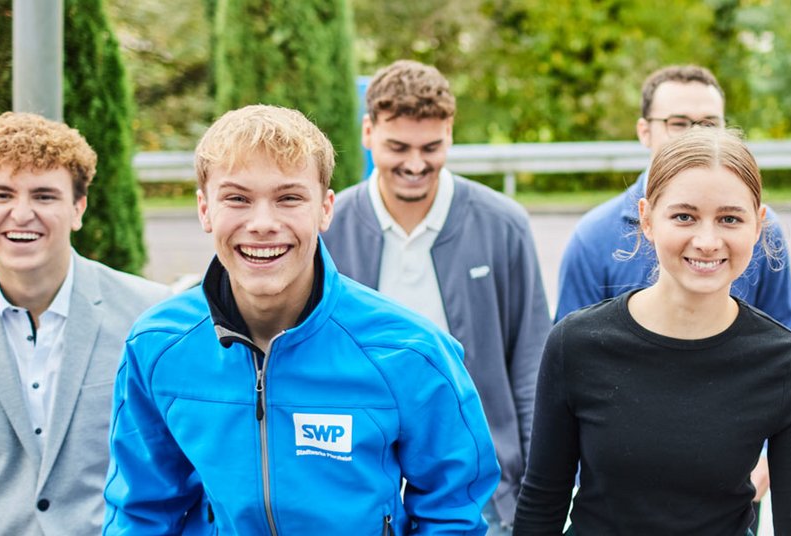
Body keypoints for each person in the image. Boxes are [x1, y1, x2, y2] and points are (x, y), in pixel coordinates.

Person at [103, 104, 500, 534]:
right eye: (237, 198)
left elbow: (453, 511)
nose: (262, 224)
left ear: (325, 208)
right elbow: (140, 512)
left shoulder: (409, 350)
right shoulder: (157, 346)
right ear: (205, 209)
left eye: (289, 198)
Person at [514, 128, 791, 535]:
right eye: (684, 217)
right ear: (646, 218)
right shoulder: (575, 344)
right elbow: (541, 505)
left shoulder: (785, 361)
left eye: (729, 219)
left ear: (757, 225)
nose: (707, 241)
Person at [554, 65, 791, 522]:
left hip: (731, 484)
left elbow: (783, 347)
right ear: (645, 131)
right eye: (679, 123)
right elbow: (569, 380)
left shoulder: (762, 235)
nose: (695, 135)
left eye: (709, 123)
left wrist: (765, 461)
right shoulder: (592, 238)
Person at [0, 112, 170, 535]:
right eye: (2, 194)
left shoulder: (149, 315)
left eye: (44, 196)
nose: (21, 213)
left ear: (78, 208)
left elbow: (185, 469)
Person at [323, 60, 550, 534]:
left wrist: (535, 493)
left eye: (430, 147)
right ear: (368, 133)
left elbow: (531, 367)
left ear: (449, 132)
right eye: (397, 147)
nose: (414, 164)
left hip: (482, 489)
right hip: (358, 486)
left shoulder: (503, 225)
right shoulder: (328, 227)